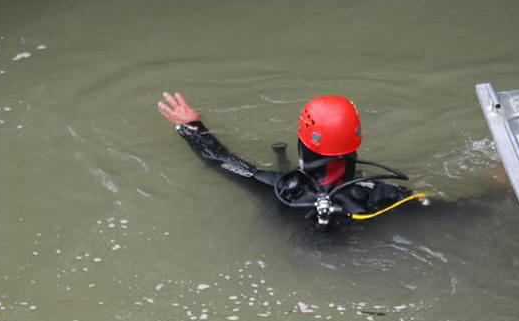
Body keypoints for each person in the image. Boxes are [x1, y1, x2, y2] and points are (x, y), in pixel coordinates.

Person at [157, 92, 426, 228]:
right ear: (356, 140)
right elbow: (444, 208)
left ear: (303, 142)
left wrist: (192, 128)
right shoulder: (383, 193)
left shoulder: (279, 189)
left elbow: (222, 160)